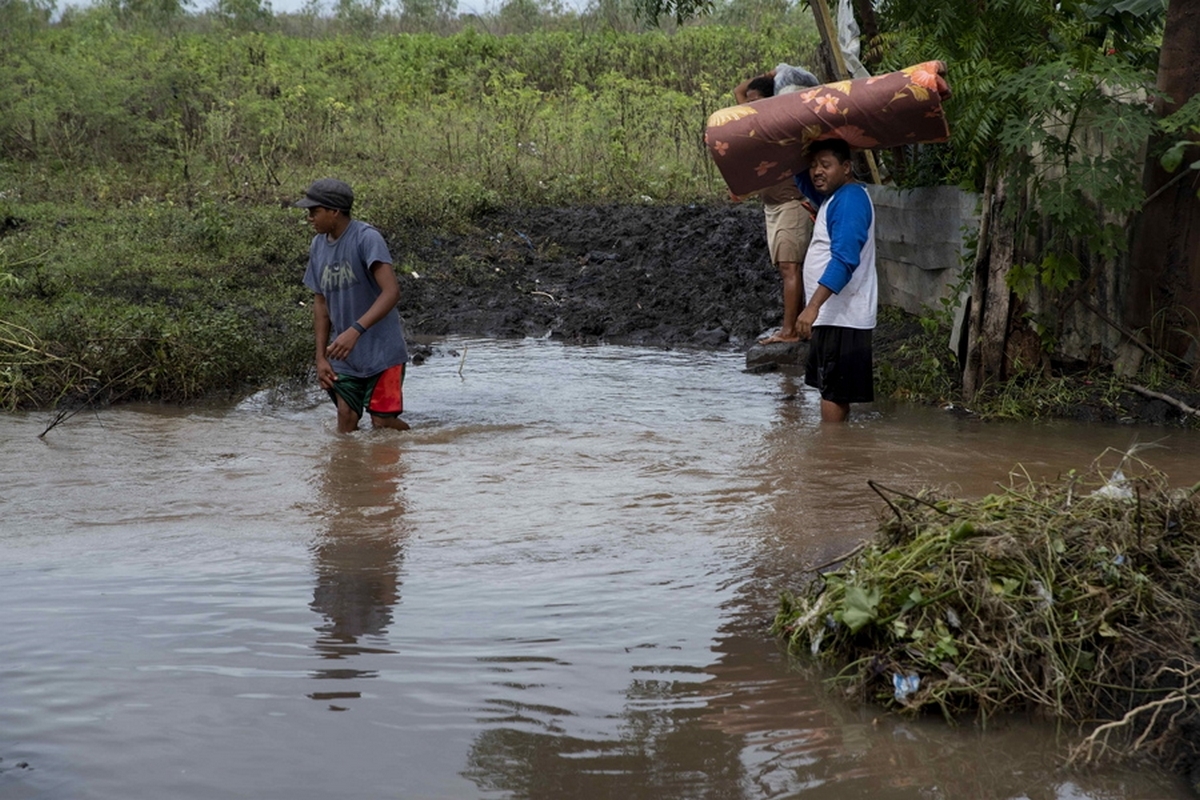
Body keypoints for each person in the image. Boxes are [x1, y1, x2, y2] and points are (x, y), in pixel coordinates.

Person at [297, 178, 411, 433]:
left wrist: (355, 330)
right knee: (346, 416)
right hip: (343, 355)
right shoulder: (318, 246)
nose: (310, 218)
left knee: (383, 423)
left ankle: (421, 448)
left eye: (314, 212)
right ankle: (347, 473)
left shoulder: (366, 238)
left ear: (334, 211)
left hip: (383, 353)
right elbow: (321, 303)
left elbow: (391, 292)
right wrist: (320, 357)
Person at [733, 68, 820, 344]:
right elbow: (739, 91)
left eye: (757, 100)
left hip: (791, 205)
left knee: (790, 268)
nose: (750, 105)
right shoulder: (757, 123)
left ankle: (790, 331)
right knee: (790, 268)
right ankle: (796, 327)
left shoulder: (784, 125)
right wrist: (771, 74)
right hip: (774, 207)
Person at [793, 139, 877, 423]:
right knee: (831, 390)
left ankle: (832, 460)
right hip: (836, 315)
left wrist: (812, 306)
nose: (817, 171)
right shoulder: (835, 198)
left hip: (842, 316)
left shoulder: (850, 200)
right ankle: (836, 456)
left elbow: (845, 259)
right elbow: (802, 181)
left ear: (846, 167)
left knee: (833, 393)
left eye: (825, 165)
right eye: (813, 165)